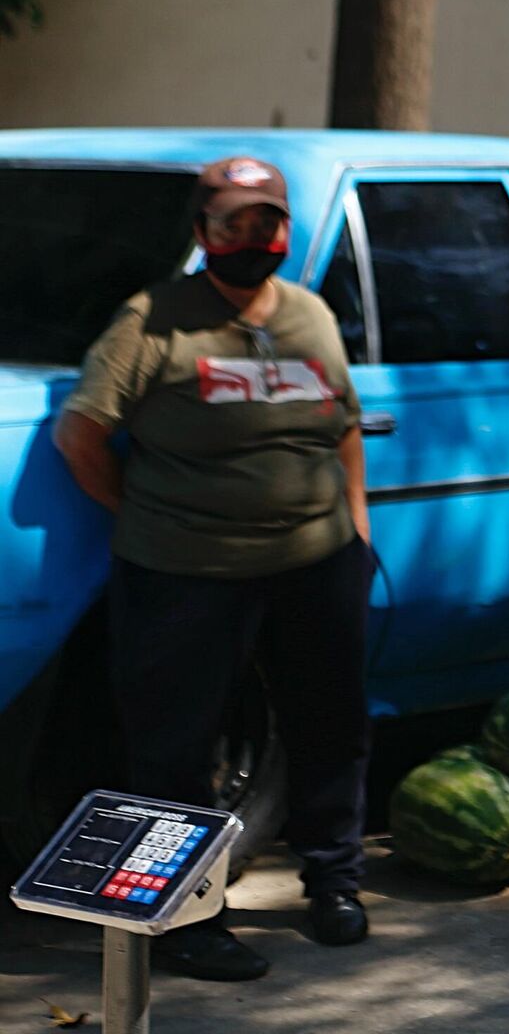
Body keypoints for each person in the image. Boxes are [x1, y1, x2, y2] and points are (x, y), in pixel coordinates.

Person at [54, 156, 375, 981]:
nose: (251, 236)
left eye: (266, 222)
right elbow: (80, 435)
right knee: (174, 751)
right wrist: (145, 518)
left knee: (330, 726)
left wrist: (357, 531)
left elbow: (343, 426)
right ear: (202, 233)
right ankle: (188, 923)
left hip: (315, 562)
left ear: (284, 232)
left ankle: (335, 881)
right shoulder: (152, 321)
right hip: (184, 573)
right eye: (232, 222)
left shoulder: (308, 315)